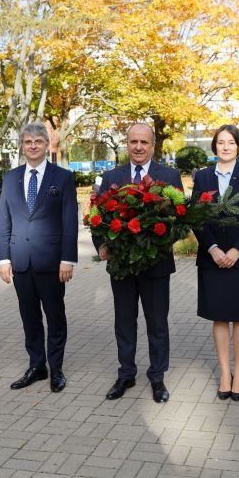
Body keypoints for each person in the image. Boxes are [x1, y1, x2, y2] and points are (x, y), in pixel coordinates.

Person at [94, 123, 184, 403]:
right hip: (121, 266)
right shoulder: (111, 176)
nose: (138, 147)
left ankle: (157, 377)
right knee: (124, 322)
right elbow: (97, 217)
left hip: (156, 265)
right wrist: (102, 245)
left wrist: (159, 240)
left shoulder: (169, 176)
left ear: (153, 145)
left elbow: (179, 219)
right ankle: (126, 374)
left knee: (157, 323)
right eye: (133, 141)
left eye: (144, 142)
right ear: (126, 144)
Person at [0, 122, 78, 393]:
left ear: (46, 145)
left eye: (38, 141)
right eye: (28, 141)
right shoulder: (10, 178)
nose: (33, 145)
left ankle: (56, 369)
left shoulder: (63, 177)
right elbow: (3, 222)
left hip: (53, 262)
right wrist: (3, 259)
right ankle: (36, 366)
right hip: (20, 261)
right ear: (22, 145)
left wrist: (68, 258)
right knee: (29, 317)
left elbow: (69, 221)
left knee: (55, 317)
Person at [192, 125, 239, 402]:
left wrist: (237, 250)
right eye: (220, 142)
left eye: (230, 142)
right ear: (214, 146)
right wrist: (211, 248)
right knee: (220, 316)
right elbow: (196, 216)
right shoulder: (202, 177)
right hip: (212, 258)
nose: (225, 147)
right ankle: (224, 373)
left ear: (238, 146)